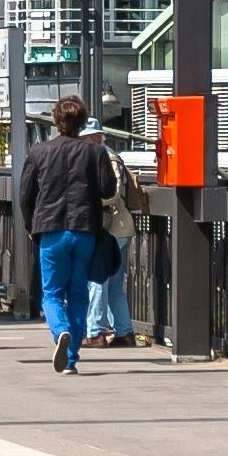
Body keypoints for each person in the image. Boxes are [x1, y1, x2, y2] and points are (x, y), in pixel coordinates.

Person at [18, 95, 115, 373]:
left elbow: (26, 195)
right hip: (84, 230)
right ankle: (71, 357)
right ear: (82, 122)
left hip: (50, 229)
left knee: (51, 293)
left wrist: (30, 226)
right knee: (78, 293)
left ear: (56, 121)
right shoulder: (95, 153)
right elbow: (108, 189)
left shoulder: (39, 152)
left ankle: (60, 330)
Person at [85, 127, 145, 350]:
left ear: (94, 137)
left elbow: (112, 193)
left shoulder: (107, 158)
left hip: (112, 229)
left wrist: (84, 201)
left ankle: (96, 332)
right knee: (114, 285)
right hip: (118, 229)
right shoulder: (104, 156)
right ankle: (124, 331)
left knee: (98, 280)